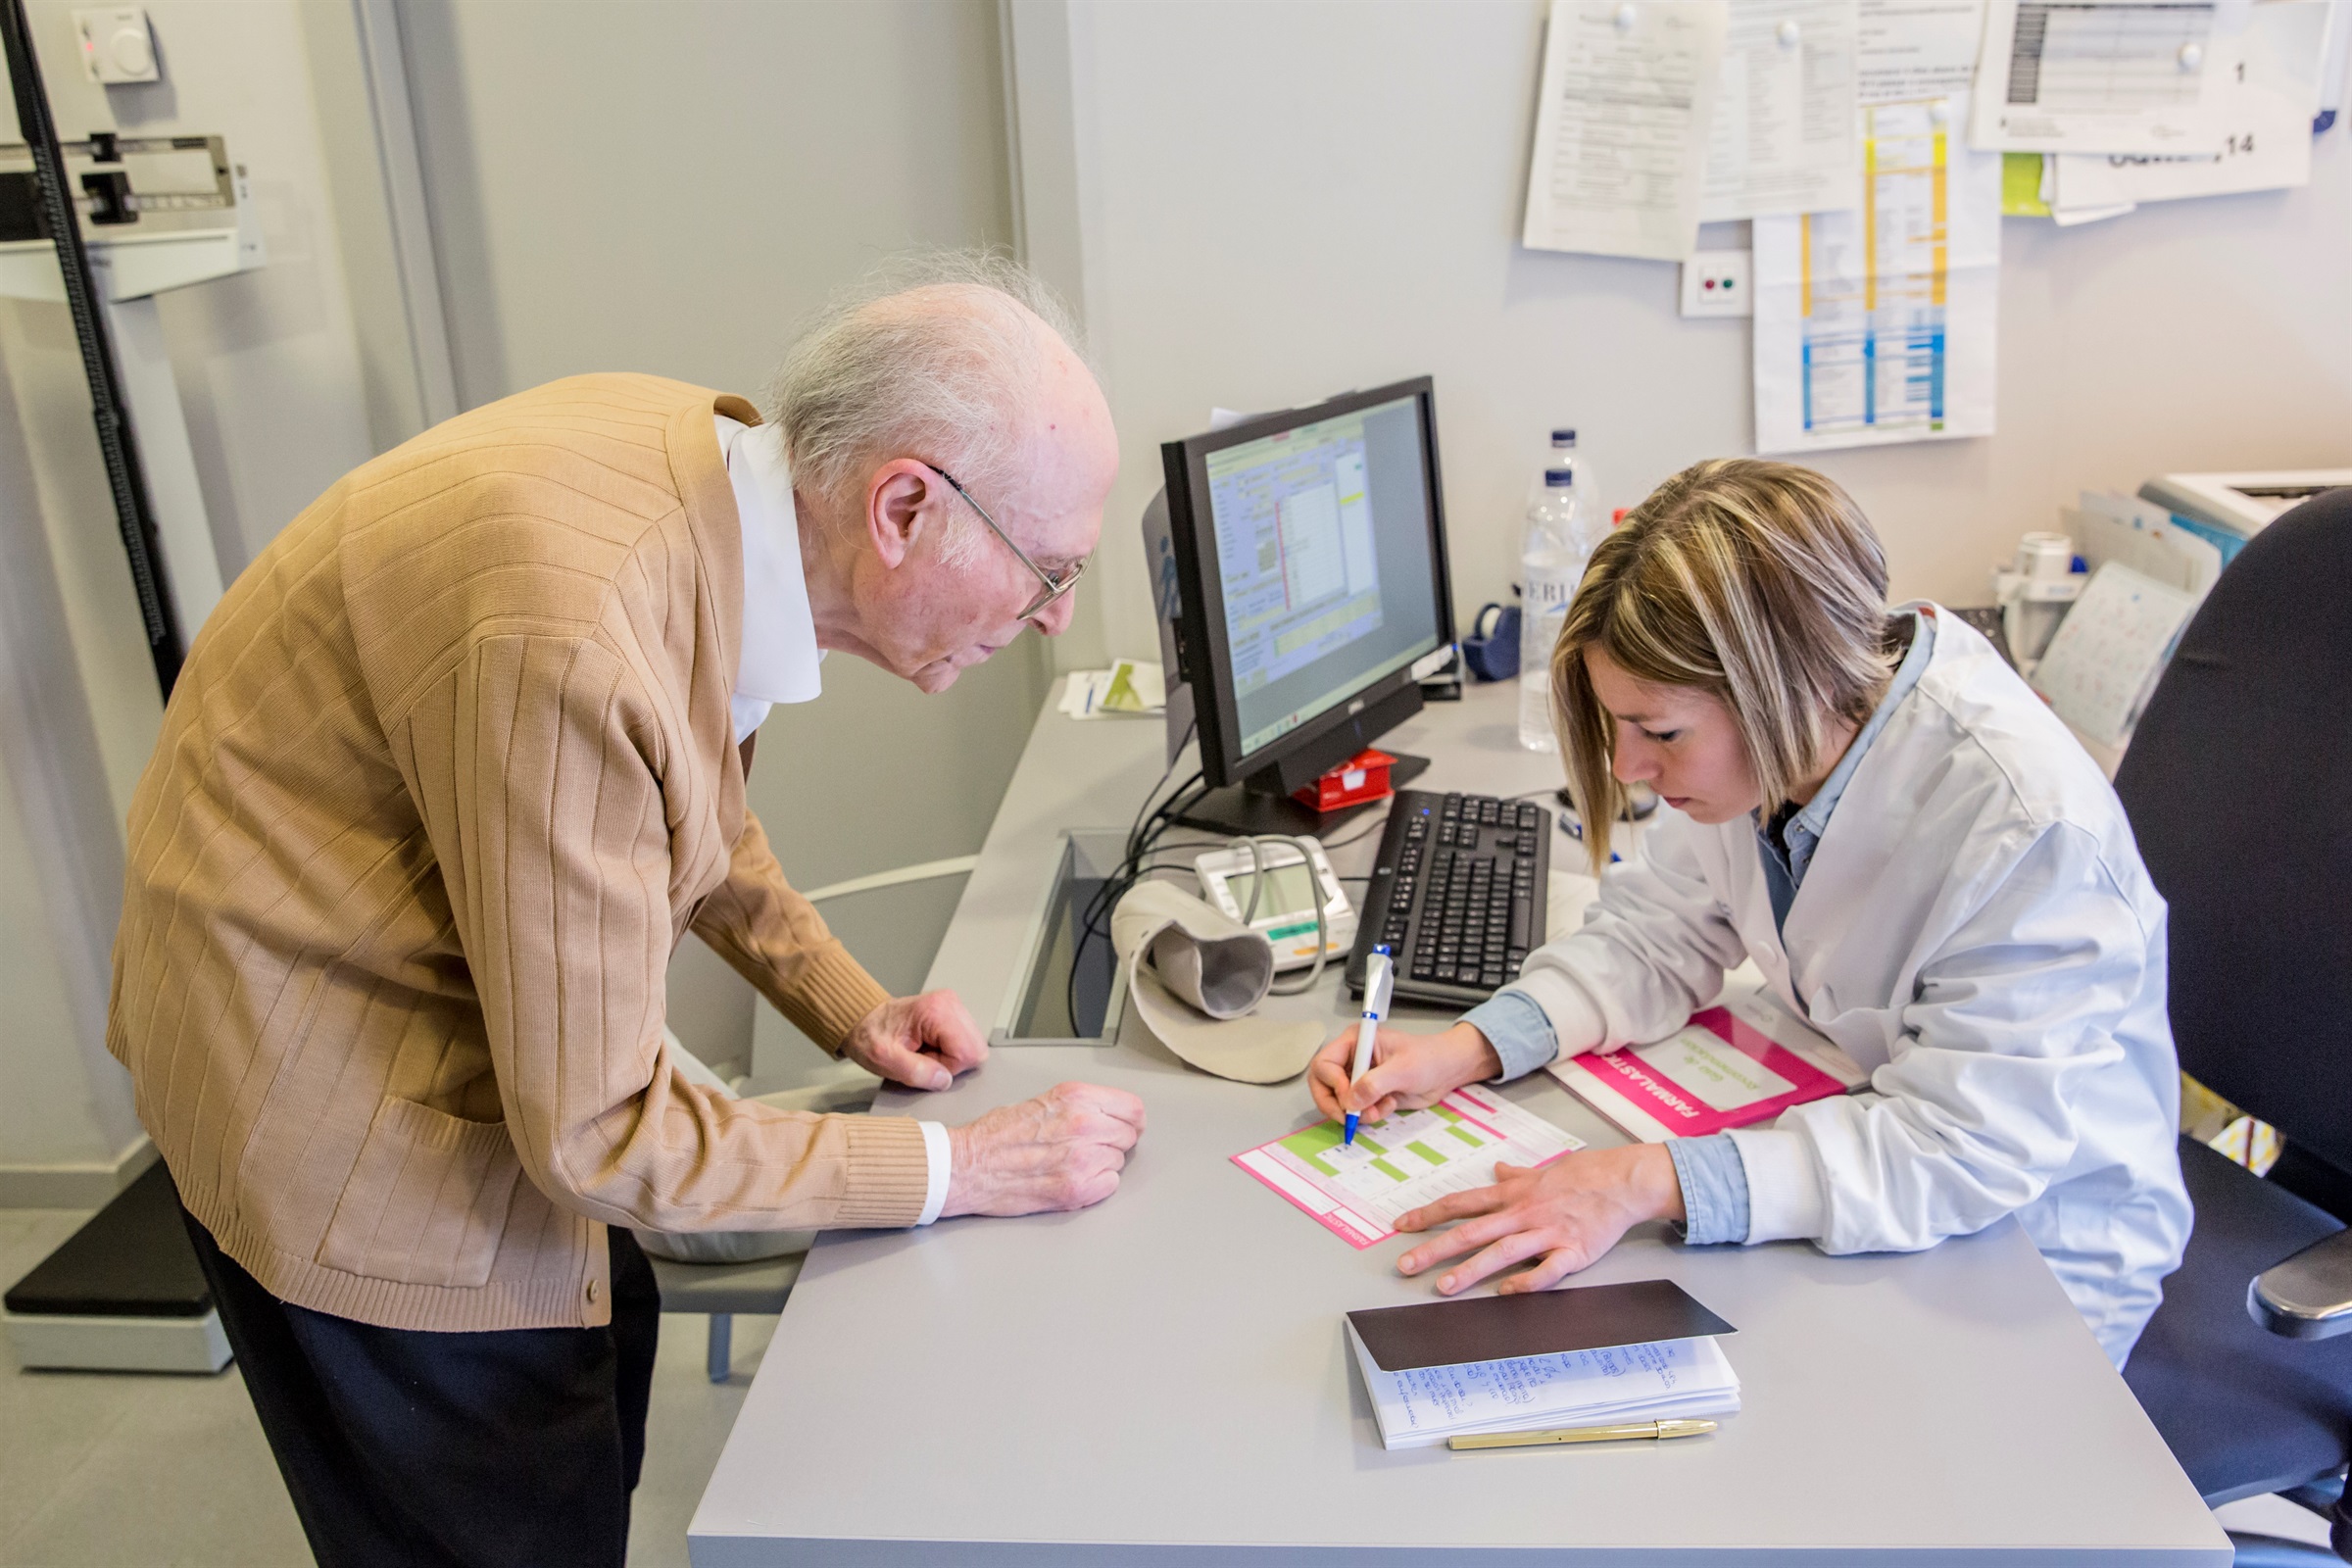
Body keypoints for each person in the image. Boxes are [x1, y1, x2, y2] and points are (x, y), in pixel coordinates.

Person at [107, 254, 1144, 1567]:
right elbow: (599, 1136)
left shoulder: (723, 480)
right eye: (1047, 572)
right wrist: (964, 1169)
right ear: (901, 509)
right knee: (498, 1502)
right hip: (310, 1081)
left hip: (402, 970)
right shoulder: (582, 634)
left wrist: (851, 1007)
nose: (1048, 618)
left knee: (601, 1358)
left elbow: (676, 791)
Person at [1310, 458, 2189, 1367]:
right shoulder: (1789, 740)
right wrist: (1467, 1048)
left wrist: (1643, 1179)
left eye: (1660, 732)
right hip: (1867, 1135)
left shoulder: (2028, 831)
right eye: (1620, 726)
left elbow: (1958, 1147)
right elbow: (1662, 931)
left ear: (1786, 688)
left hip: (2030, 1256)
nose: (1627, 769)